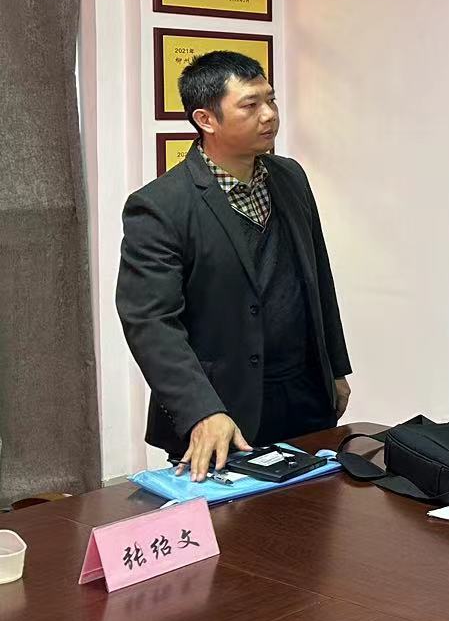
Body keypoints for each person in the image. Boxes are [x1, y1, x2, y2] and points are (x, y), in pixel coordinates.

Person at [117, 52, 353, 481]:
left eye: (271, 100)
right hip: (221, 410)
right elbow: (150, 321)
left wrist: (334, 368)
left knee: (316, 515)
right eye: (250, 105)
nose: (270, 115)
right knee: (232, 523)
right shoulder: (160, 206)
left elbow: (318, 276)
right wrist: (201, 410)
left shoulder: (290, 177)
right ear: (206, 119)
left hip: (304, 395)